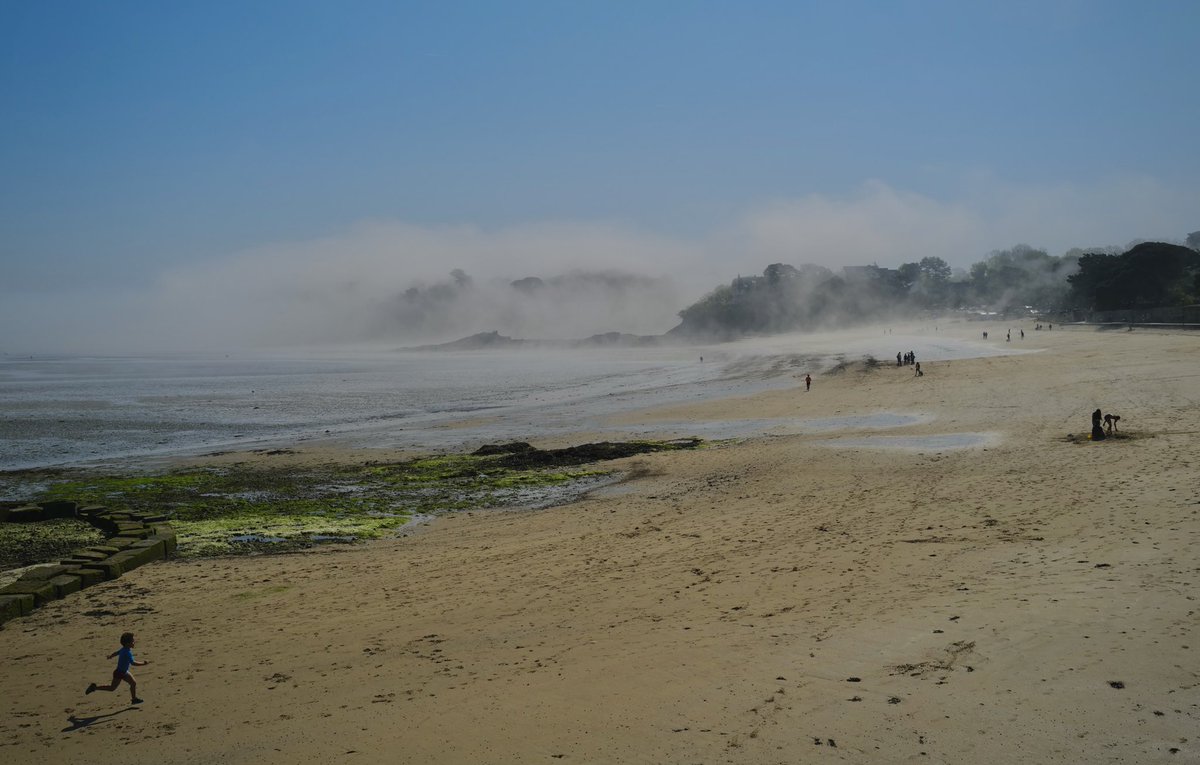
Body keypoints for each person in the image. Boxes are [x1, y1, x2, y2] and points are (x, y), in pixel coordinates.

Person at [85, 632, 147, 704]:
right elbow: (133, 663)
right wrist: (143, 664)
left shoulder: (124, 649)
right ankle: (94, 688)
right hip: (119, 673)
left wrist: (111, 656)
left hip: (123, 672)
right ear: (127, 643)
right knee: (112, 688)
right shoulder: (127, 653)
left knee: (133, 683)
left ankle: (134, 699)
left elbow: (117, 653)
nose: (134, 642)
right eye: (132, 641)